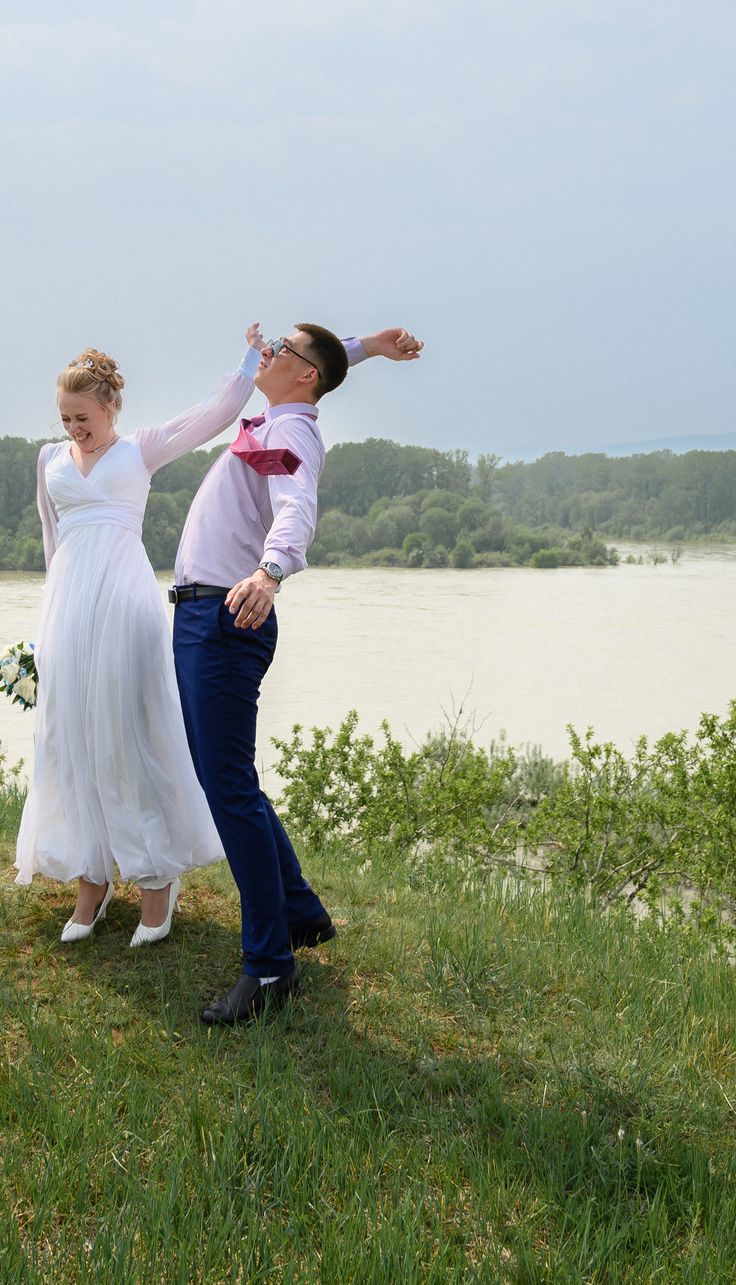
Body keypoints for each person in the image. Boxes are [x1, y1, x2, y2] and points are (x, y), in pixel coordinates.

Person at [174, 322, 424, 1024]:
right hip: (205, 613)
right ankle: (303, 914)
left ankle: (270, 967)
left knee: (228, 791)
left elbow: (296, 507)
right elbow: (322, 355)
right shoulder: (274, 415)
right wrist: (368, 345)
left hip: (226, 615)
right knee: (231, 782)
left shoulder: (291, 434)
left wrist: (271, 571)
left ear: (303, 375)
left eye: (281, 350)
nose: (268, 353)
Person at [12, 336, 261, 950]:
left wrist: (253, 361)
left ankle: (157, 879)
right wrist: (47, 631)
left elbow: (214, 413)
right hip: (69, 608)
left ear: (111, 408)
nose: (76, 429)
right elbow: (54, 545)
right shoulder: (49, 459)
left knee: (126, 733)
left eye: (85, 419)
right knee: (71, 737)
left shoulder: (139, 450)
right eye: (67, 419)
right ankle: (90, 879)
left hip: (124, 604)